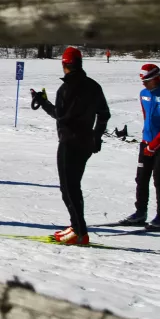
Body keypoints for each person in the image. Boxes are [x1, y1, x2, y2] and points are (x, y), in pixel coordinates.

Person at [30, 46, 110, 245]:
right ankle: (76, 227)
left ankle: (80, 233)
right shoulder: (93, 86)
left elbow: (60, 115)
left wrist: (42, 102)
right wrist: (96, 136)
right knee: (74, 186)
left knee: (68, 189)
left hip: (69, 143)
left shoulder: (66, 89)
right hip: (85, 144)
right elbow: (104, 114)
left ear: (65, 65)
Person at [120, 64, 160, 229]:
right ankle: (140, 212)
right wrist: (147, 141)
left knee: (159, 180)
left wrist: (154, 145)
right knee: (141, 178)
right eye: (142, 80)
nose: (143, 84)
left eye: (147, 80)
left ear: (156, 78)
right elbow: (147, 117)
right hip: (146, 142)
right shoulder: (143, 94)